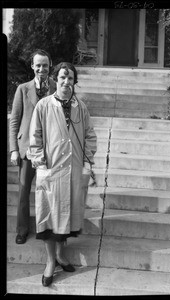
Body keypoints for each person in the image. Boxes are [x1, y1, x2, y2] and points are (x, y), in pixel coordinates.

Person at [27, 62, 97, 287]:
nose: (67, 82)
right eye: (63, 78)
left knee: (66, 215)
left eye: (70, 79)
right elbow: (35, 137)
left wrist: (87, 160)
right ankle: (50, 262)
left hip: (74, 171)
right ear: (55, 80)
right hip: (51, 171)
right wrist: (40, 163)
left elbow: (89, 136)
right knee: (49, 217)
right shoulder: (43, 105)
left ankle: (60, 255)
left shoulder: (81, 107)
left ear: (75, 82)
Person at [9, 49, 56, 244]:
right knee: (23, 191)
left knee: (47, 192)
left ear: (50, 65)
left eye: (45, 65)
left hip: (49, 150)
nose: (41, 69)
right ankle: (22, 230)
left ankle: (45, 229)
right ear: (32, 66)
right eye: (38, 65)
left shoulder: (56, 86)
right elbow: (14, 120)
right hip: (27, 149)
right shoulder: (23, 89)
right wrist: (13, 149)